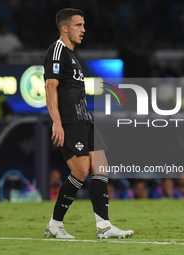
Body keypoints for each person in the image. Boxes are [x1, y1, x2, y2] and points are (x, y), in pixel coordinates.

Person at [43, 8, 133, 239]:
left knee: (101, 166)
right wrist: (57, 123)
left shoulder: (73, 55)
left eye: (83, 25)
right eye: (78, 25)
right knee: (81, 171)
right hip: (70, 120)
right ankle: (55, 224)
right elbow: (50, 87)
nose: (83, 30)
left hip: (85, 118)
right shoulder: (57, 51)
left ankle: (104, 226)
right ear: (65, 28)